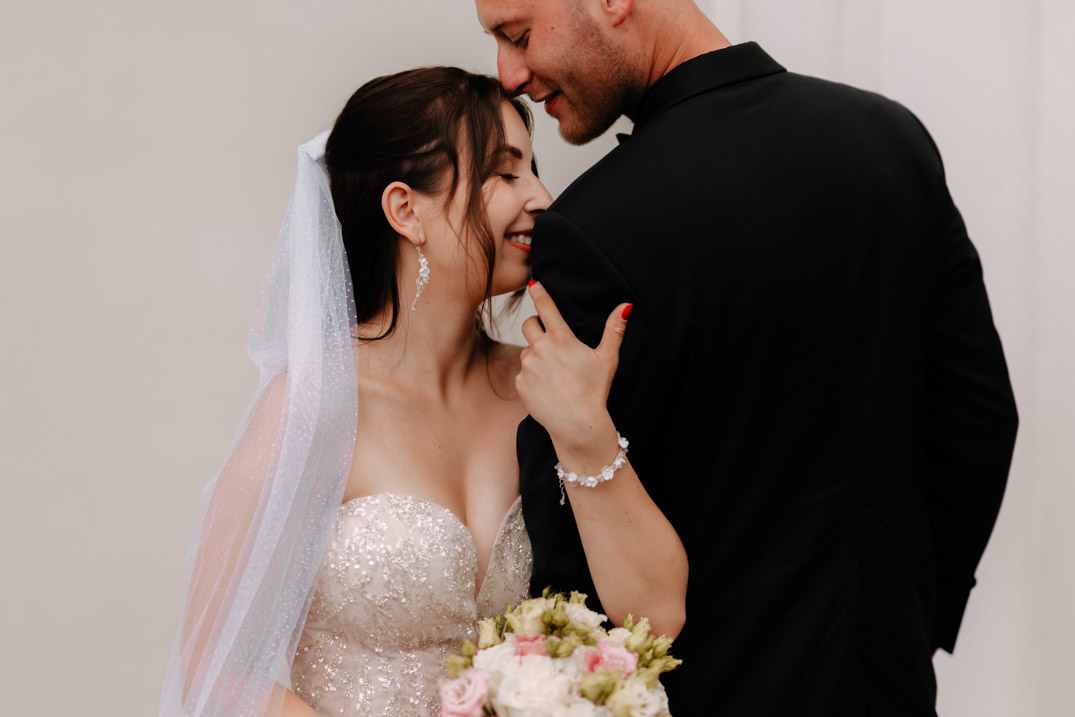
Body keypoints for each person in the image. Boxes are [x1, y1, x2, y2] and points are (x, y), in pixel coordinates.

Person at [475, 0, 1019, 715]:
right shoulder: (891, 138)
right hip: (887, 683)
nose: (508, 73)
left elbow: (570, 548)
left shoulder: (593, 229)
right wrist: (903, 624)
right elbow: (979, 422)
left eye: (518, 35)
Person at [159, 66, 688, 717]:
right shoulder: (314, 404)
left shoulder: (541, 388)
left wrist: (585, 428)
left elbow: (655, 618)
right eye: (505, 172)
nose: (543, 197)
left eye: (533, 169)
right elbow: (215, 673)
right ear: (406, 209)